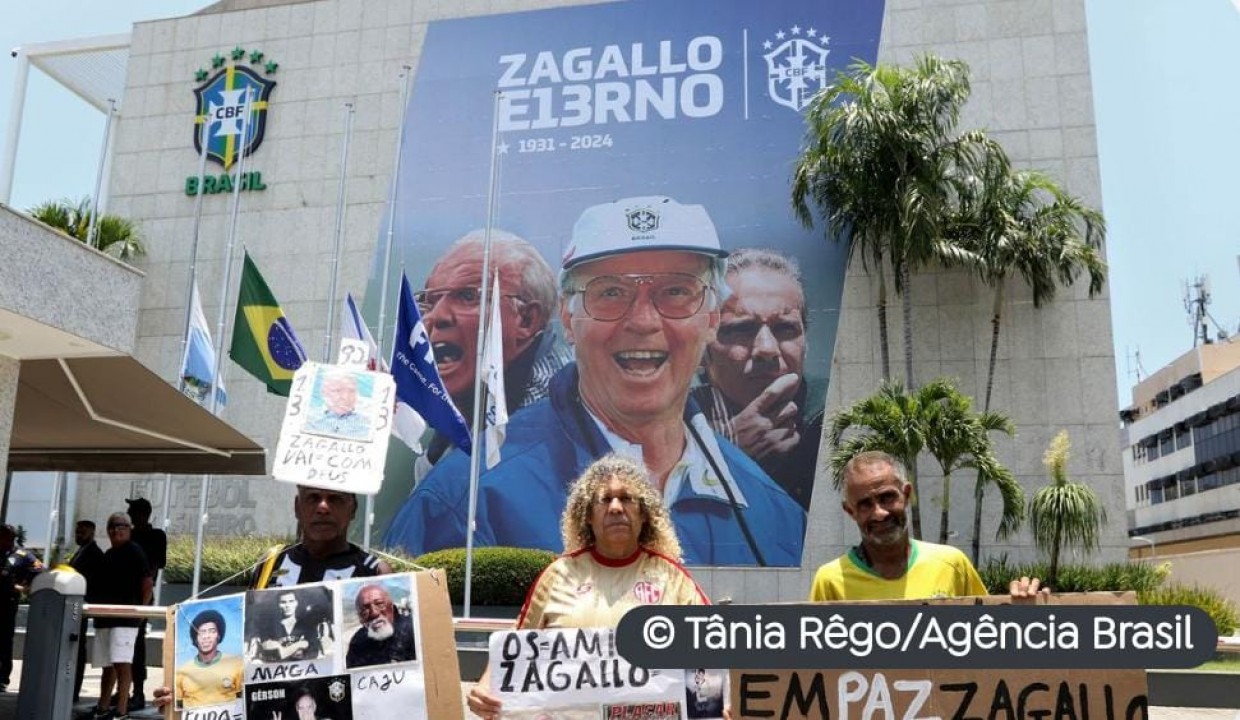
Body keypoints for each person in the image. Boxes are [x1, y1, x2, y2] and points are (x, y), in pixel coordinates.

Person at [387, 196, 806, 567]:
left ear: (712, 318)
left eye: (677, 292)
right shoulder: (466, 497)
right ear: (569, 320)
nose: (643, 321)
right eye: (609, 292)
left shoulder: (776, 519)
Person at [466, 455, 711, 719]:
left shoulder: (673, 579)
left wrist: (717, 704)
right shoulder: (558, 575)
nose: (616, 508)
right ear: (588, 517)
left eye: (627, 498)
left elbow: (709, 653)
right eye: (604, 500)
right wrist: (484, 688)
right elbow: (515, 647)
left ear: (644, 514)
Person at [154, 485, 393, 710]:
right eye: (313, 498)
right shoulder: (272, 562)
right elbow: (244, 646)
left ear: (353, 509)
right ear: (297, 506)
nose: (323, 507)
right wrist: (188, 693)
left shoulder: (373, 573)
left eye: (335, 499)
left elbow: (389, 669)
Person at [809, 451, 1046, 601]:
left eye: (887, 498)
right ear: (850, 511)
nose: (879, 513)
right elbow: (813, 668)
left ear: (907, 494)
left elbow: (991, 641)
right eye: (864, 505)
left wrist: (1025, 614)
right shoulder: (830, 580)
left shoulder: (952, 564)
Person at [692, 248, 824, 510]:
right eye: (741, 328)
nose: (767, 348)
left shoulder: (837, 417)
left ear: (805, 343)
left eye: (785, 328)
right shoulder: (668, 425)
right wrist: (727, 454)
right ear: (702, 352)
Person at [87, 512, 152, 720]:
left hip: (126, 619)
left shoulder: (135, 551)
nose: (117, 529)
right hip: (105, 618)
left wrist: (141, 612)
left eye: (121, 525)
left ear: (129, 528)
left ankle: (121, 711)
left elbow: (147, 583)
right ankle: (103, 707)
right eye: (112, 526)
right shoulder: (108, 554)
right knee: (108, 666)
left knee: (123, 664)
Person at [124, 497, 166, 711]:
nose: (129, 514)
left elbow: (154, 567)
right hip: (123, 597)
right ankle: (123, 690)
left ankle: (138, 692)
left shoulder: (155, 536)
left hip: (141, 596)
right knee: (121, 646)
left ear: (141, 513)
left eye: (132, 511)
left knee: (136, 646)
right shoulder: (129, 536)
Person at [0, 523, 44, 693]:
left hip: (8, 603)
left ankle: (3, 677)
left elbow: (40, 569)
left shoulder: (22, 555)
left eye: (4, 536)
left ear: (11, 538)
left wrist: (24, 586)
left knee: (4, 640)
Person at [174, 608, 243, 709]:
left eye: (212, 631)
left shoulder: (236, 664)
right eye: (201, 632)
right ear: (195, 639)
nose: (206, 636)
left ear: (218, 636)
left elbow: (245, 703)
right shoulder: (181, 671)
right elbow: (175, 709)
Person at [69, 520, 105, 702]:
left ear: (92, 533)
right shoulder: (82, 551)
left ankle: (73, 690)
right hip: (74, 605)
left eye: (82, 533)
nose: (78, 535)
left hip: (81, 605)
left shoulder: (93, 554)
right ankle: (71, 689)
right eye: (77, 532)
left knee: (77, 649)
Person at [346, 583, 417, 668]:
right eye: (365, 610)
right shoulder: (357, 643)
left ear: (391, 607)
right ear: (360, 619)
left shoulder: (414, 629)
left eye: (379, 604)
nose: (374, 613)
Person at [247, 589, 325, 663]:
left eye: (291, 601)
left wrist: (283, 649)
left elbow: (313, 652)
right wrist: (300, 644)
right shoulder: (269, 627)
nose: (287, 605)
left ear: (296, 603)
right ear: (278, 604)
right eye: (283, 602)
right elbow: (276, 654)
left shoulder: (307, 625)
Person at [302, 371, 371, 440]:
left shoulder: (368, 425)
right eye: (338, 391)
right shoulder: (308, 420)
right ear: (324, 393)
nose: (346, 397)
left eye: (351, 391)